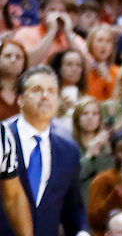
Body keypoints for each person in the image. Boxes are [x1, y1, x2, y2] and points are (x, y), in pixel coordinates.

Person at [1, 65, 85, 236]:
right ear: (20, 99)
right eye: (37, 90)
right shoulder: (3, 137)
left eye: (52, 91)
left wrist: (82, 232)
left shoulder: (69, 150)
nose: (45, 96)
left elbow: (72, 207)